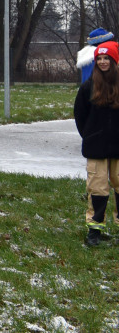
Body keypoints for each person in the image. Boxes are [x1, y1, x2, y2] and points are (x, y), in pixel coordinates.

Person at [73, 40, 119, 247]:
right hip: (96, 147)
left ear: (114, 61)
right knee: (97, 188)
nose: (102, 62)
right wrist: (90, 136)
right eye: (99, 58)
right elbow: (80, 115)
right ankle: (95, 230)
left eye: (106, 58)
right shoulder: (88, 86)